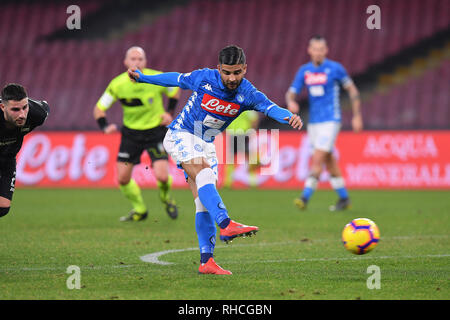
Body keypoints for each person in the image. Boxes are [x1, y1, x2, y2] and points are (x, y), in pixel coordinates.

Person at [128, 45, 303, 274]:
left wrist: (288, 116)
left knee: (202, 201)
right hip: (181, 133)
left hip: (205, 144)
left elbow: (269, 107)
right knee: (205, 174)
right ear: (219, 68)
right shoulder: (204, 78)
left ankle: (206, 261)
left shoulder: (248, 93)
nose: (232, 78)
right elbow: (176, 79)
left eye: (237, 72)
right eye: (227, 72)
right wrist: (144, 78)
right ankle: (226, 223)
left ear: (245, 69)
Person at [93, 46, 180, 222]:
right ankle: (140, 209)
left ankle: (165, 197)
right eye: (133, 59)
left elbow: (174, 90)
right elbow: (99, 109)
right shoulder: (117, 84)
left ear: (145, 62)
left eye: (140, 59)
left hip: (155, 132)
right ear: (126, 62)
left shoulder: (154, 78)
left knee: (162, 176)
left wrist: (169, 112)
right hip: (131, 135)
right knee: (123, 179)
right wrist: (104, 127)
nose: (136, 62)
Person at [285, 35, 363, 211]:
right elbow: (291, 92)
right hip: (314, 123)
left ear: (326, 51)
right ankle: (344, 199)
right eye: (315, 49)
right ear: (309, 50)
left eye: (321, 49)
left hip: (331, 120)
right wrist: (291, 102)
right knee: (329, 159)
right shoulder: (304, 71)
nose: (318, 52)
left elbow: (352, 90)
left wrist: (357, 115)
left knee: (317, 159)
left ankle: (304, 197)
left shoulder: (335, 69)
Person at [0, 83, 49, 218]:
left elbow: (45, 105)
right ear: (2, 107)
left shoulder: (38, 114)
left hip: (7, 158)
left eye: (24, 107)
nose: (22, 114)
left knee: (3, 208)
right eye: (15, 109)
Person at [224, 110, 259, 188]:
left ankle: (228, 182)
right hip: (235, 134)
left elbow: (254, 120)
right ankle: (229, 182)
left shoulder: (236, 107)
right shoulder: (247, 108)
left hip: (242, 134)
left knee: (234, 158)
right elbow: (254, 119)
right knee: (244, 158)